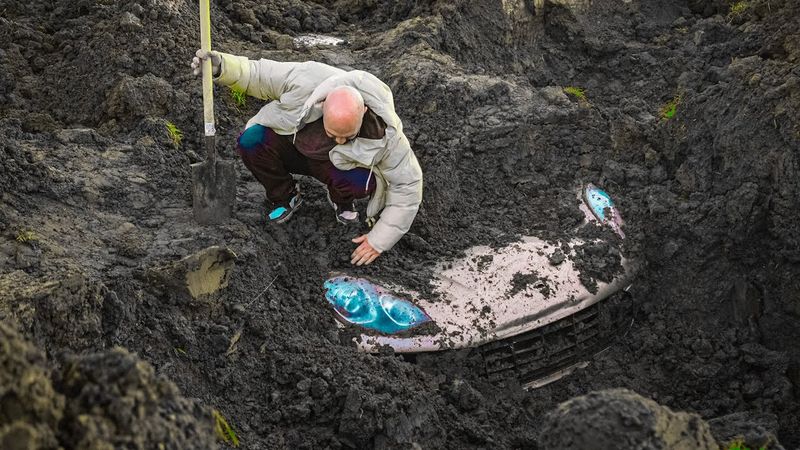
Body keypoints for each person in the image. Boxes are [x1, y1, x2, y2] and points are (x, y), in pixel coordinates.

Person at [191, 50, 423, 266]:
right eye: (334, 134)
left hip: (337, 166)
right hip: (294, 148)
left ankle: (341, 200)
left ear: (363, 112)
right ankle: (286, 195)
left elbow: (408, 186)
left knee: (363, 181)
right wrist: (221, 67)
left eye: (348, 136)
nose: (340, 140)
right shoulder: (305, 79)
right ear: (322, 105)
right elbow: (256, 74)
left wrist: (379, 240)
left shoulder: (386, 132)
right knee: (251, 141)